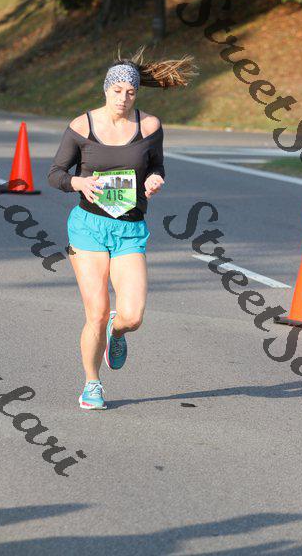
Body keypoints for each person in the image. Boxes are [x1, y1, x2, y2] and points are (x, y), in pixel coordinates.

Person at [48, 45, 198, 410]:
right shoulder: (81, 126)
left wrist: (155, 179)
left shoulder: (150, 127)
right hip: (88, 227)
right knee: (96, 313)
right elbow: (55, 174)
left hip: (130, 228)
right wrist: (78, 183)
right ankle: (92, 384)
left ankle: (118, 331)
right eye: (117, 90)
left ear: (137, 93)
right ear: (105, 89)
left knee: (132, 316)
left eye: (130, 91)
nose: (123, 98)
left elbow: (157, 165)